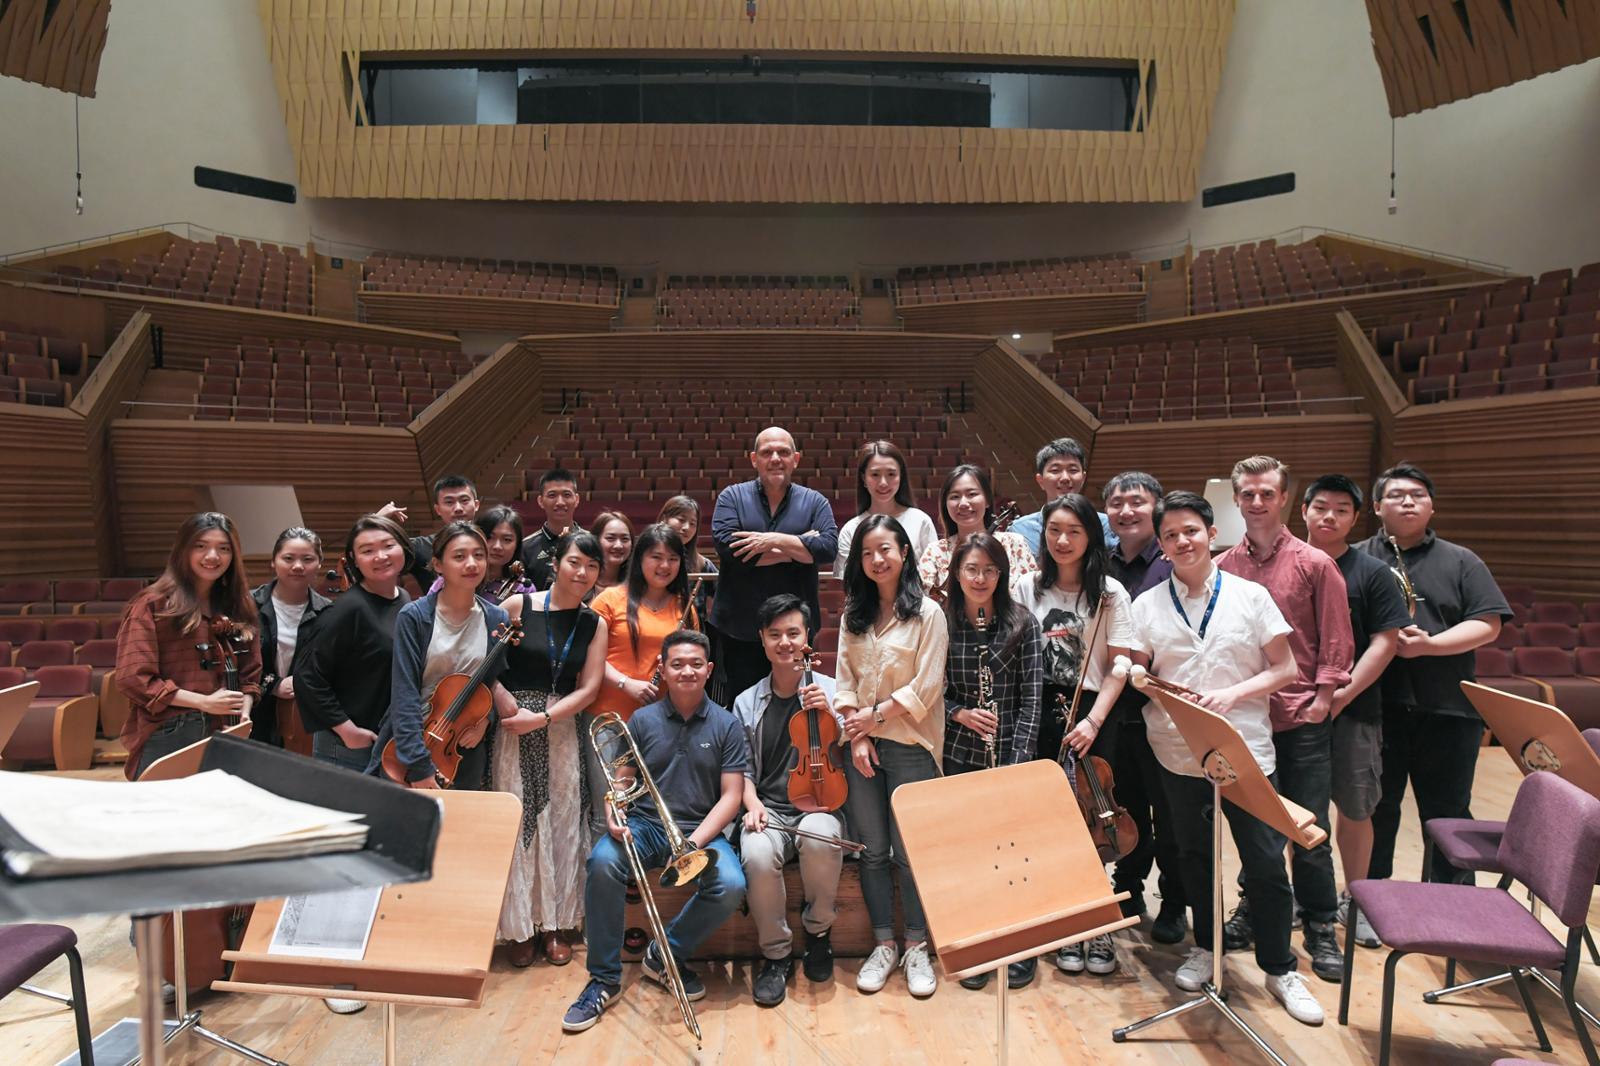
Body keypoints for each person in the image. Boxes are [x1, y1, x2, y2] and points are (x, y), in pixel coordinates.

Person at [1127, 491, 1323, 1027]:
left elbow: (1285, 669)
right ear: (1161, 545)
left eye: (1190, 531)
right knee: (1193, 856)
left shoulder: (1250, 596)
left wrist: (1233, 695)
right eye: (1170, 535)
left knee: (1264, 860)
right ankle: (1205, 947)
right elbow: (1140, 669)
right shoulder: (1147, 605)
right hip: (1176, 750)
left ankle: (1280, 968)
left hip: (1244, 748)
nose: (1181, 541)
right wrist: (1140, 678)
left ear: (1212, 534)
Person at [562, 629, 748, 1035]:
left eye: (695, 664)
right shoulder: (641, 720)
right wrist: (613, 806)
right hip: (645, 826)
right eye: (677, 664)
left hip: (701, 831)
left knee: (731, 884)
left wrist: (692, 844)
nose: (687, 671)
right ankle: (604, 979)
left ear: (709, 669)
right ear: (662, 669)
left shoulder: (727, 724)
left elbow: (732, 796)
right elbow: (623, 780)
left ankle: (663, 954)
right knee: (602, 862)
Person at [1215, 456, 1354, 984]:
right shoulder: (1223, 566)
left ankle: (1319, 923)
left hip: (1300, 719)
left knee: (1308, 826)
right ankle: (1258, 909)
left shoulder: (1315, 563)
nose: (1257, 502)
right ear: (1236, 499)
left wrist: (1323, 701)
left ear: (1285, 499)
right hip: (1248, 723)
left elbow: (1336, 638)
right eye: (1247, 494)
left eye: (1266, 493)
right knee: (1257, 830)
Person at [1358, 463, 1509, 885]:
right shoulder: (1355, 558)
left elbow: (1488, 623)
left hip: (1448, 708)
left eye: (1418, 495)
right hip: (1375, 709)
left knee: (1448, 813)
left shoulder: (1462, 560)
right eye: (1396, 495)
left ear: (1431, 507)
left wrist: (1430, 645)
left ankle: (1451, 902)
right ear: (1376, 507)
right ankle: (1370, 899)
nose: (1408, 502)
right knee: (1374, 809)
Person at [1014, 494, 1134, 977]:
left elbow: (1120, 665)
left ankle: (1097, 921)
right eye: (1054, 531)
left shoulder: (1110, 593)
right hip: (1038, 707)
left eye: (1074, 531)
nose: (1062, 540)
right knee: (1047, 819)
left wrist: (1093, 721)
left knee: (1093, 816)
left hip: (1091, 710)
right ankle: (1063, 918)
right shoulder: (1026, 586)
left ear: (1091, 537)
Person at [836, 514, 949, 999]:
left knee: (910, 853)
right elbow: (844, 681)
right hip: (861, 746)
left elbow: (927, 685)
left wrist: (874, 718)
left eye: (885, 549)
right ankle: (884, 944)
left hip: (911, 744)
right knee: (873, 851)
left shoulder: (929, 613)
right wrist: (858, 734)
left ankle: (917, 946)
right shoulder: (853, 614)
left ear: (904, 552)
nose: (877, 559)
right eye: (867, 553)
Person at [1301, 474, 1409, 949]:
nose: (1329, 516)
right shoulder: (1289, 563)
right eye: (1321, 506)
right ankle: (1303, 896)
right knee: (1298, 811)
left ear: (1355, 518)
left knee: (1356, 807)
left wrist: (1340, 696)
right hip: (1292, 710)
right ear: (1303, 510)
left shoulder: (1372, 572)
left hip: (1355, 709)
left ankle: (1356, 899)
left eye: (1341, 510)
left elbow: (1385, 642)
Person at [494, 531, 608, 968]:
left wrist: (542, 717)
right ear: (556, 563)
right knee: (519, 822)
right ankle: (520, 927)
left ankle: (556, 925)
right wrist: (508, 704)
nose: (582, 572)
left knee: (561, 821)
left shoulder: (594, 623)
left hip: (560, 727)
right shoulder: (517, 606)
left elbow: (590, 687)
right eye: (575, 562)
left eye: (592, 566)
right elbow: (484, 664)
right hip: (513, 725)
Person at [733, 594, 847, 1005]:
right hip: (770, 809)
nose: (785, 642)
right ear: (762, 640)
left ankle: (818, 933)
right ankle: (776, 954)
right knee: (757, 853)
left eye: (793, 633)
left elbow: (850, 748)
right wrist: (753, 805)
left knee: (821, 836)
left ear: (807, 637)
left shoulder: (832, 690)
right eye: (775, 634)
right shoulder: (746, 702)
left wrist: (832, 715)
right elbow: (742, 771)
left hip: (821, 804)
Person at [942, 533, 1043, 990]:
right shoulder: (942, 622)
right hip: (959, 753)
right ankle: (977, 940)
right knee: (968, 854)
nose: (980, 578)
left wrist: (1016, 762)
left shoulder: (1023, 623)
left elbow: (1032, 700)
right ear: (957, 574)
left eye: (989, 570)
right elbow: (931, 691)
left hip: (1008, 755)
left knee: (1013, 855)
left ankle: (1020, 943)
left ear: (1002, 574)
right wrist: (959, 713)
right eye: (971, 569)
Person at [1100, 471, 1185, 944]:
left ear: (1157, 506)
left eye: (1137, 501)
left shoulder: (1173, 560)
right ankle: (1129, 887)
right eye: (1116, 503)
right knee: (1126, 806)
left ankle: (1174, 900)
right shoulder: (1101, 563)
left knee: (1171, 813)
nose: (1126, 510)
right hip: (1118, 711)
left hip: (1164, 709)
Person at [368, 521, 516, 791]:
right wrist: (418, 764)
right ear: (438, 564)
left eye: (478, 555)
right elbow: (404, 694)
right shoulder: (415, 616)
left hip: (461, 746)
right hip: (412, 742)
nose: (471, 564)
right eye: (459, 556)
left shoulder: (497, 617)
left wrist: (486, 719)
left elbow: (490, 682)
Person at [116, 512, 262, 778]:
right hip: (172, 728)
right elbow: (133, 678)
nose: (213, 556)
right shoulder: (153, 605)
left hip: (225, 728)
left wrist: (244, 710)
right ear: (183, 550)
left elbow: (250, 672)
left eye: (224, 548)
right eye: (201, 546)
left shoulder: (239, 605)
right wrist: (204, 702)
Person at [711, 427, 838, 701]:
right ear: (754, 459)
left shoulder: (815, 501)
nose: (776, 458)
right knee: (742, 706)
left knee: (799, 704)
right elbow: (730, 551)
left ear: (796, 459)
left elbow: (827, 548)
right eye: (767, 452)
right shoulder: (731, 497)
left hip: (796, 631)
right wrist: (800, 547)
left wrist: (771, 541)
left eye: (783, 452)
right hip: (739, 629)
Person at [296, 514, 413, 774]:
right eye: (367, 551)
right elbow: (307, 676)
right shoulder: (348, 608)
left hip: (387, 740)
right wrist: (347, 730)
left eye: (388, 546)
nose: (380, 556)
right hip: (349, 745)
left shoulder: (404, 598)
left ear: (403, 547)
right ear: (354, 559)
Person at [589, 524, 696, 723]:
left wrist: (677, 662)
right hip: (609, 718)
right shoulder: (608, 600)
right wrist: (625, 683)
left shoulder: (685, 606)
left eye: (673, 559)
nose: (665, 566)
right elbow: (588, 657)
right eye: (656, 557)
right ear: (639, 558)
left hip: (663, 720)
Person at [250, 527, 333, 753]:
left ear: (319, 564)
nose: (298, 566)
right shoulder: (247, 605)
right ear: (273, 561)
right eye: (288, 558)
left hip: (302, 719)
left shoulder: (328, 612)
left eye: (307, 559)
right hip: (252, 711)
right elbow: (237, 662)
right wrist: (273, 684)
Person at [919, 464, 1037, 600]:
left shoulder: (1014, 544)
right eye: (955, 496)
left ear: (987, 501)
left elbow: (1034, 595)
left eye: (972, 494)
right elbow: (923, 602)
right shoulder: (935, 552)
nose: (963, 503)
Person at [833, 440, 939, 580]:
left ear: (901, 477)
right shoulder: (851, 529)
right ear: (864, 478)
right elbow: (847, 583)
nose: (883, 483)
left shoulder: (921, 521)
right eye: (875, 475)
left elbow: (934, 578)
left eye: (891, 474)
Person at [1008, 438, 1117, 560]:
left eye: (1073, 470)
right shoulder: (1020, 530)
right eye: (1055, 470)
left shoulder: (1107, 525)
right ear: (1040, 480)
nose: (1065, 478)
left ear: (1083, 478)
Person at [378, 474, 479, 592]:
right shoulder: (421, 546)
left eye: (464, 500)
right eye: (449, 502)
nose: (458, 508)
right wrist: (377, 519)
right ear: (438, 509)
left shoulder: (491, 540)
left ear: (476, 505)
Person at [658, 494, 718, 627]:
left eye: (692, 524)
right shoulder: (645, 559)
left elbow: (723, 595)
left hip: (693, 633)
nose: (686, 528)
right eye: (681, 519)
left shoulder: (703, 564)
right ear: (664, 519)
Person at [520, 467, 584, 588]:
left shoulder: (592, 542)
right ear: (540, 501)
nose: (560, 502)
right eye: (552, 495)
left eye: (566, 495)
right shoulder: (525, 548)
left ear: (576, 499)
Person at [471, 505, 536, 598]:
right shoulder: (459, 580)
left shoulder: (525, 588)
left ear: (517, 545)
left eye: (507, 540)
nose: (497, 546)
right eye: (489, 537)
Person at [589, 511, 634, 596]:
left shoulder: (637, 585)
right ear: (595, 540)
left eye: (624, 539)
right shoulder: (581, 579)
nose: (618, 545)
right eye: (610, 538)